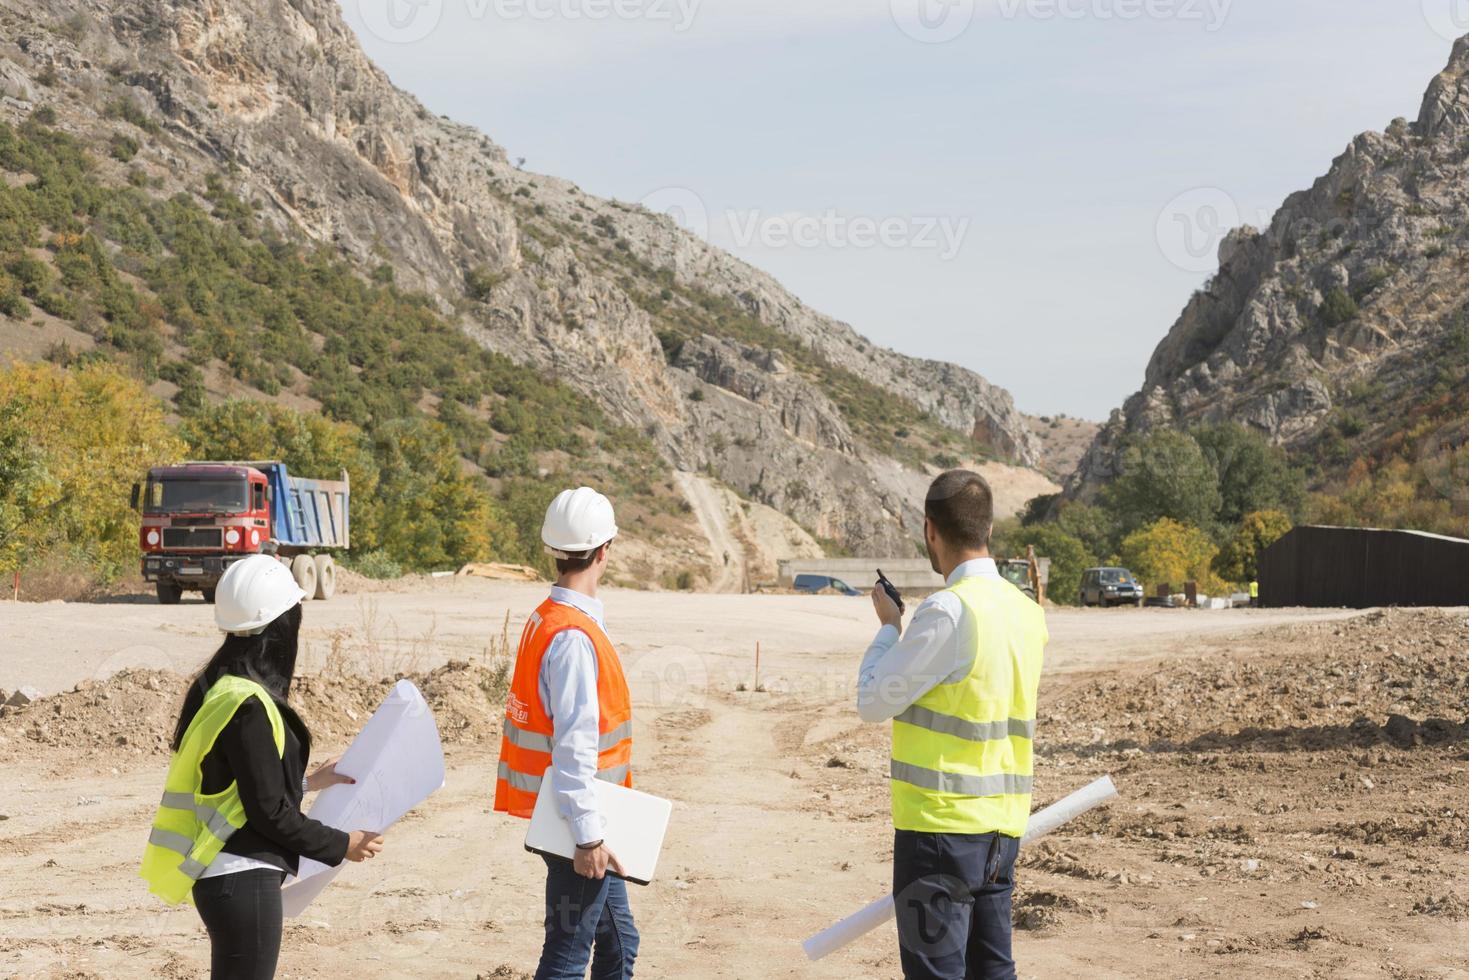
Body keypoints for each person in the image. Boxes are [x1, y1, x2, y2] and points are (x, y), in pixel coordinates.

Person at [140, 554, 385, 979]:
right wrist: (342, 843)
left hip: (226, 876)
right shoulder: (249, 705)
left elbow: (238, 785)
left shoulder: (218, 684)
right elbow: (269, 813)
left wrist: (306, 783)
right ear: (283, 625)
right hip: (242, 877)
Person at [856, 470, 1048, 980]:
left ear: (930, 531)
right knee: (993, 972)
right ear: (987, 528)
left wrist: (889, 630)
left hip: (939, 834)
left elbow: (874, 700)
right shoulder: (1027, 612)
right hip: (1000, 834)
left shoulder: (949, 610)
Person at [494, 487, 638, 980]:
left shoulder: (547, 618)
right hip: (574, 827)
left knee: (620, 942)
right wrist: (588, 837)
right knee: (568, 953)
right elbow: (575, 746)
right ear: (604, 551)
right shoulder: (573, 637)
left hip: (571, 817)